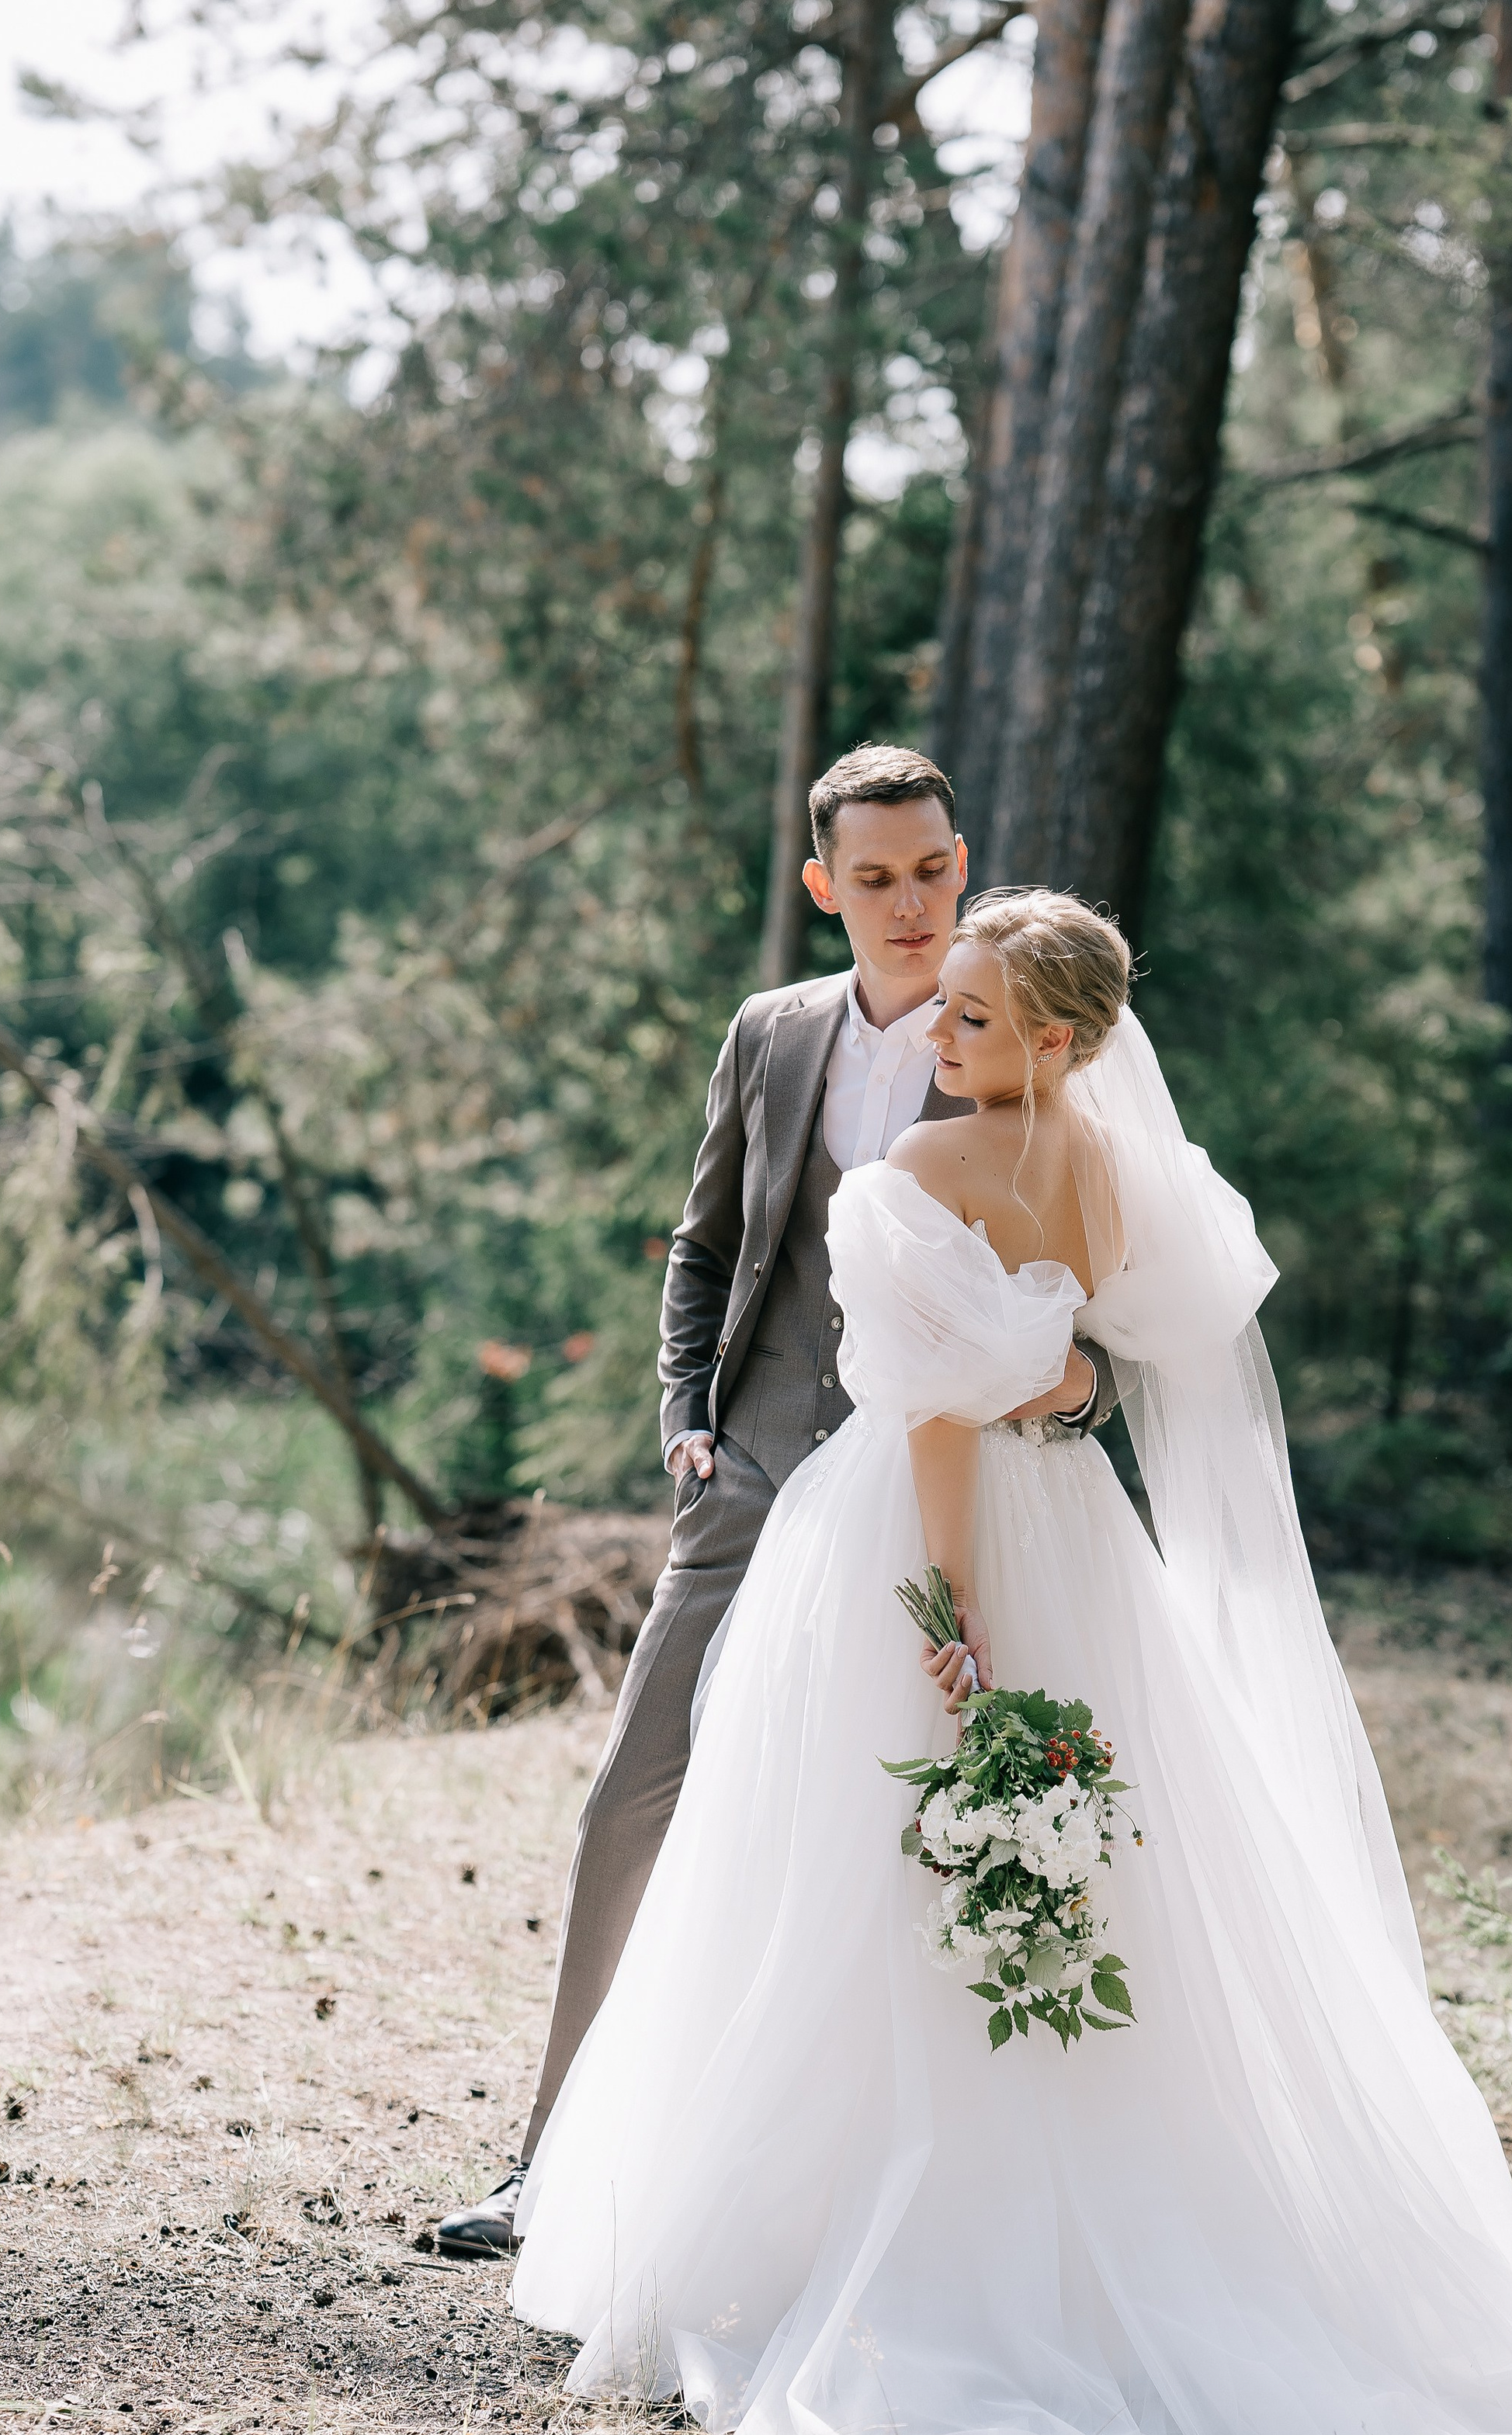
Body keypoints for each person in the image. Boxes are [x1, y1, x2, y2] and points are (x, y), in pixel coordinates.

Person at [508, 890, 1512, 2435]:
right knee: (1063, 1865)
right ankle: (1062, 2207)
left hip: (919, 1534)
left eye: (965, 1017)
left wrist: (946, 1615)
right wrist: (1067, 1396)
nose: (934, 1040)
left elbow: (941, 1423)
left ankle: (866, 2239)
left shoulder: (905, 1186)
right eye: (939, 1009)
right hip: (1084, 1546)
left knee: (858, 1862)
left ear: (1050, 1037)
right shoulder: (1118, 1173)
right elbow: (1101, 1366)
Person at [437, 754, 1113, 2261]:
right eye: (871, 879)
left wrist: (1065, 1399)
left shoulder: (1026, 1037)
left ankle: (899, 2211)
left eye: (930, 869)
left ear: (960, 861)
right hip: (753, 1480)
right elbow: (702, 1245)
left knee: (887, 1834)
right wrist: (685, 1420)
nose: (908, 904)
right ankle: (548, 2170)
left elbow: (1099, 1324)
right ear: (825, 887)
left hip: (945, 1504)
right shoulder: (772, 1034)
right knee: (636, 1799)